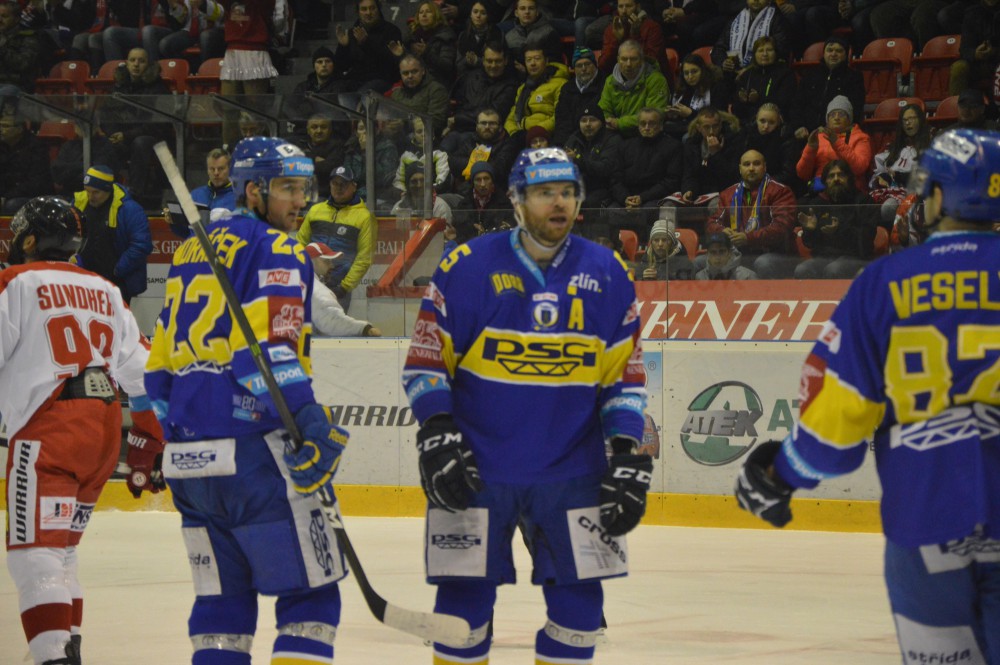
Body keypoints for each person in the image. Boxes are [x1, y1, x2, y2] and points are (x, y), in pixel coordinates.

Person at [734, 127, 1000, 664]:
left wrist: (781, 474)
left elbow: (837, 423)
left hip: (925, 521)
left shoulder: (886, 282)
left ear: (939, 197)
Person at [401, 146, 652, 665]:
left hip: (575, 471)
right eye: (543, 193)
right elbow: (426, 363)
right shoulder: (466, 266)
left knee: (581, 614)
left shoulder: (608, 272)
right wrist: (437, 433)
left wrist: (627, 453)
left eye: (567, 192)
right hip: (476, 469)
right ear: (516, 201)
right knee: (461, 612)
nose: (558, 203)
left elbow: (623, 378)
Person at [145, 136, 350, 665]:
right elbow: (264, 353)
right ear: (252, 190)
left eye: (304, 188)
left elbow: (158, 369)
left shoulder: (190, 250)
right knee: (310, 599)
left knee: (220, 609)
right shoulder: (277, 247)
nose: (300, 201)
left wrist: (177, 438)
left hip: (190, 462)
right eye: (287, 188)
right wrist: (308, 419)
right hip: (255, 455)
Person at [2, 196, 164, 665]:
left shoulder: (14, 283)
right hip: (104, 427)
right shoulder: (106, 289)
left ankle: (54, 658)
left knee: (35, 556)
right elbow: (146, 372)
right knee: (63, 553)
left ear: (29, 240)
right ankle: (66, 649)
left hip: (50, 428)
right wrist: (149, 438)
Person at [704, 148, 798, 278]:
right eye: (747, 164)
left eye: (756, 164)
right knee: (700, 261)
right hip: (737, 251)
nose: (751, 168)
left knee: (763, 263)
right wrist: (722, 231)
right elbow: (711, 223)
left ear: (765, 167)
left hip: (774, 253)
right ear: (740, 169)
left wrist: (749, 238)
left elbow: (782, 227)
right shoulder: (728, 194)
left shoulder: (780, 192)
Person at [298, 164, 377, 313]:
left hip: (338, 287)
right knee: (305, 324)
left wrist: (344, 287)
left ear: (354, 187)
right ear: (330, 185)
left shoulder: (365, 217)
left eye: (344, 184)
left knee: (333, 325)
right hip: (310, 282)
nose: (339, 188)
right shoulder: (316, 210)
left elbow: (364, 258)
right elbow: (299, 244)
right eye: (335, 183)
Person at [72, 165, 153, 304]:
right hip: (83, 282)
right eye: (87, 191)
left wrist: (117, 270)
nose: (90, 197)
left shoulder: (130, 210)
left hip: (116, 284)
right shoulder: (78, 204)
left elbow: (141, 245)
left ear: (108, 190)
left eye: (96, 192)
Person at [793, 158, 878, 279]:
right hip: (824, 257)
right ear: (825, 181)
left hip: (856, 257)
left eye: (841, 175)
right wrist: (811, 230)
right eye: (831, 176)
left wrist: (840, 229)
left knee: (833, 270)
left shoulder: (864, 201)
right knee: (802, 270)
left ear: (849, 178)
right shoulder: (818, 203)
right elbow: (810, 244)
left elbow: (866, 240)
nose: (836, 179)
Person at [608, 107, 683, 233]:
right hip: (627, 198)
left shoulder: (673, 147)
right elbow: (615, 178)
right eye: (643, 123)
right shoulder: (625, 146)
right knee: (610, 211)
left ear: (661, 126)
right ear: (638, 126)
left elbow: (671, 181)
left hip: (655, 198)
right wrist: (625, 198)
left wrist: (642, 198)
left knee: (647, 212)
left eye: (652, 123)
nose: (647, 127)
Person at [791, 35, 865, 141]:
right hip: (806, 134)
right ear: (824, 53)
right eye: (830, 50)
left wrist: (831, 130)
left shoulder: (854, 78)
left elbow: (855, 109)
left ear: (846, 55)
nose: (833, 54)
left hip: (837, 135)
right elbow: (797, 104)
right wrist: (798, 126)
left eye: (839, 51)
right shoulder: (810, 75)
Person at [795, 95, 872, 193]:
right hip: (821, 190)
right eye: (832, 114)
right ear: (827, 119)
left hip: (849, 190)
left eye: (841, 114)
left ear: (849, 118)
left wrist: (836, 142)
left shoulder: (861, 138)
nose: (836, 118)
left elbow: (859, 168)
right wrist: (811, 148)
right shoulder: (819, 137)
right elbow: (802, 174)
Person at [305, 241, 383, 337]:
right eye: (326, 261)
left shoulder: (295, 281)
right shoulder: (315, 289)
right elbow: (331, 323)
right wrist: (364, 328)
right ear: (311, 262)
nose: (332, 265)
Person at [598, 39, 670, 136]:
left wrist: (619, 123)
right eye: (624, 59)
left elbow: (655, 114)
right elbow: (603, 109)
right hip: (614, 133)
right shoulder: (610, 81)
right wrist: (609, 122)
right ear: (618, 60)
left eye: (633, 59)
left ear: (641, 60)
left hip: (645, 134)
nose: (628, 64)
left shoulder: (656, 80)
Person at [450, 40, 520, 135]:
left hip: (487, 134)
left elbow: (493, 115)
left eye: (498, 61)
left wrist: (458, 119)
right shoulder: (470, 78)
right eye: (489, 61)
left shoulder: (511, 86)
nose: (493, 65)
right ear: (483, 61)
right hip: (457, 130)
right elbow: (457, 104)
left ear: (505, 61)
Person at [334, 0, 404, 94]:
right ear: (358, 12)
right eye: (364, 9)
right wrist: (343, 46)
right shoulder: (352, 33)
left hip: (382, 81)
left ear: (378, 9)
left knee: (363, 94)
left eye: (372, 8)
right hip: (355, 81)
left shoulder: (391, 31)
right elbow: (341, 67)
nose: (368, 12)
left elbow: (390, 65)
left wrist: (367, 44)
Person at [503, 44, 570, 139]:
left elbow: (560, 117)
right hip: (523, 136)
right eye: (528, 60)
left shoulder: (560, 84)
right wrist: (514, 133)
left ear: (546, 61)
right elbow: (511, 118)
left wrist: (535, 133)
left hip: (547, 137)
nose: (533, 63)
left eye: (537, 59)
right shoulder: (523, 88)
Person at [565, 105, 624, 210]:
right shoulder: (574, 139)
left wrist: (578, 160)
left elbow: (605, 169)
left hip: (603, 188)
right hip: (578, 186)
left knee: (586, 203)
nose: (587, 124)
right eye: (583, 120)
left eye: (592, 120)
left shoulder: (611, 139)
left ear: (601, 122)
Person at [728, 35, 795, 125]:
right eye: (760, 50)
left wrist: (759, 99)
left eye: (769, 50)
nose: (765, 54)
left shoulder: (785, 74)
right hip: (747, 123)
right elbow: (735, 108)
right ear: (754, 55)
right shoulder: (747, 75)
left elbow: (784, 104)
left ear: (776, 53)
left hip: (773, 123)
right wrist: (741, 100)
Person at [389, 0, 457, 87]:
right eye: (421, 12)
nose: (424, 15)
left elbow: (447, 67)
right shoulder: (412, 38)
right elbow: (406, 68)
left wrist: (427, 52)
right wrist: (401, 55)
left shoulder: (445, 36)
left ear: (437, 15)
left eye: (428, 12)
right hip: (413, 82)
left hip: (436, 83)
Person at [711, 0, 790, 72]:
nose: (756, 0)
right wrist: (723, 62)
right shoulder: (735, 20)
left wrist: (748, 70)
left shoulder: (778, 20)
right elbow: (718, 48)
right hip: (734, 73)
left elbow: (781, 51)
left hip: (764, 73)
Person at [664, 53, 728, 138]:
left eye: (694, 72)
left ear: (703, 70)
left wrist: (690, 114)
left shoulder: (716, 87)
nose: (690, 76)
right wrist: (673, 115)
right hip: (686, 125)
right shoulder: (684, 88)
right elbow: (680, 116)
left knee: (687, 137)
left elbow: (718, 116)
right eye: (686, 73)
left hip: (709, 128)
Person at [0, 115, 54, 214]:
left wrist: (6, 197)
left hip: (34, 196)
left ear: (20, 129)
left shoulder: (36, 147)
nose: (1, 130)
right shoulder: (2, 146)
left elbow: (36, 184)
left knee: (11, 205)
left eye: (5, 126)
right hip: (8, 195)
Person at [553, 46, 606, 146]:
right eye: (579, 65)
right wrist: (565, 146)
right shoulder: (567, 88)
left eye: (587, 64)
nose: (583, 69)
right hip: (572, 140)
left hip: (599, 140)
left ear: (595, 65)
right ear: (574, 69)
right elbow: (562, 122)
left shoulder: (605, 84)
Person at [597, 0, 668, 75]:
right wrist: (616, 40)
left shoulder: (652, 28)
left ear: (638, 7)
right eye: (620, 6)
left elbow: (652, 63)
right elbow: (603, 65)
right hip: (620, 78)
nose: (624, 11)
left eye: (628, 6)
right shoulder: (612, 29)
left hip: (650, 77)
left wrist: (636, 37)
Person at [451, 160, 514, 242]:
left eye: (486, 178)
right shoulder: (463, 205)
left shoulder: (506, 204)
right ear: (473, 182)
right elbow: (460, 234)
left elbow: (509, 231)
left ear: (492, 181)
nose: (483, 184)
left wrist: (487, 233)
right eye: (478, 180)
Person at [390, 54, 451, 139]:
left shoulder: (436, 90)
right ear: (400, 74)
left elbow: (436, 122)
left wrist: (404, 124)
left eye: (414, 71)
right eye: (405, 73)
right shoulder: (396, 94)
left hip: (428, 139)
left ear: (423, 71)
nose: (410, 76)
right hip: (401, 138)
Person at [455, 1, 503, 81]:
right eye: (475, 12)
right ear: (471, 14)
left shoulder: (496, 33)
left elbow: (498, 63)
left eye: (483, 13)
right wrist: (467, 60)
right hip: (467, 79)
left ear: (488, 16)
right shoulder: (463, 35)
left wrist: (477, 61)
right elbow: (458, 64)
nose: (478, 16)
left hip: (491, 78)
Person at [694, 231, 759, 279]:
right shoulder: (700, 278)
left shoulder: (747, 277)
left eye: (722, 251)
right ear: (707, 254)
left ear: (730, 253)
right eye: (713, 252)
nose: (718, 257)